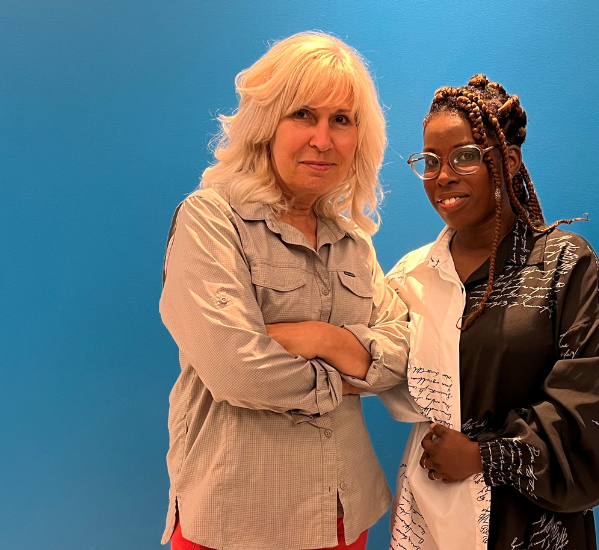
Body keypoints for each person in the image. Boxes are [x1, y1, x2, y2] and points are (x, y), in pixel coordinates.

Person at [159, 32, 409, 550]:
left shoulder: (354, 242)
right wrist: (347, 375)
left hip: (345, 514)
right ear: (265, 123)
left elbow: (403, 353)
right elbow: (234, 368)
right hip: (236, 523)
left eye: (341, 120)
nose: (323, 139)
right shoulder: (211, 219)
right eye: (303, 115)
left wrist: (323, 338)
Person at [381, 74, 599, 550]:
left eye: (465, 156)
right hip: (431, 516)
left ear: (509, 161)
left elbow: (590, 414)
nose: (443, 176)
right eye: (430, 161)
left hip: (533, 527)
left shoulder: (565, 267)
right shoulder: (411, 276)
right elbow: (382, 368)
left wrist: (482, 457)